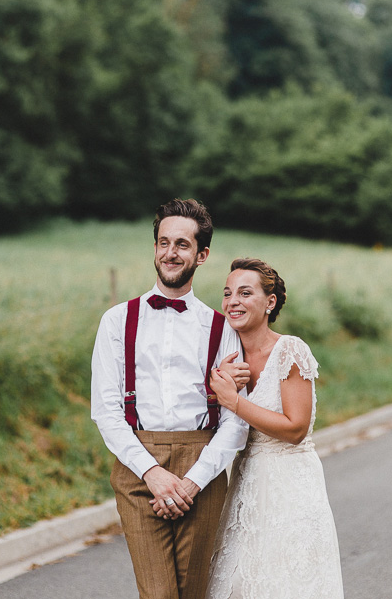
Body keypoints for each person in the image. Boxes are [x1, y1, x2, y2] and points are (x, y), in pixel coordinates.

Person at [90, 198, 251, 599]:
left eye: (182, 244)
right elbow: (106, 411)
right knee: (158, 593)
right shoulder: (116, 320)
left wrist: (192, 482)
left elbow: (235, 419)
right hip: (137, 465)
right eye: (163, 242)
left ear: (202, 254)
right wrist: (154, 474)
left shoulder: (222, 327)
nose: (170, 253)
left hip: (204, 465)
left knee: (194, 593)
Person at [205, 258, 345, 598]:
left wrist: (233, 400)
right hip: (245, 480)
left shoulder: (290, 351)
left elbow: (295, 428)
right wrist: (217, 388)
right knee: (239, 581)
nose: (232, 301)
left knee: (285, 580)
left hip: (290, 483)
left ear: (270, 302)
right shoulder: (227, 355)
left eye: (244, 293)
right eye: (227, 293)